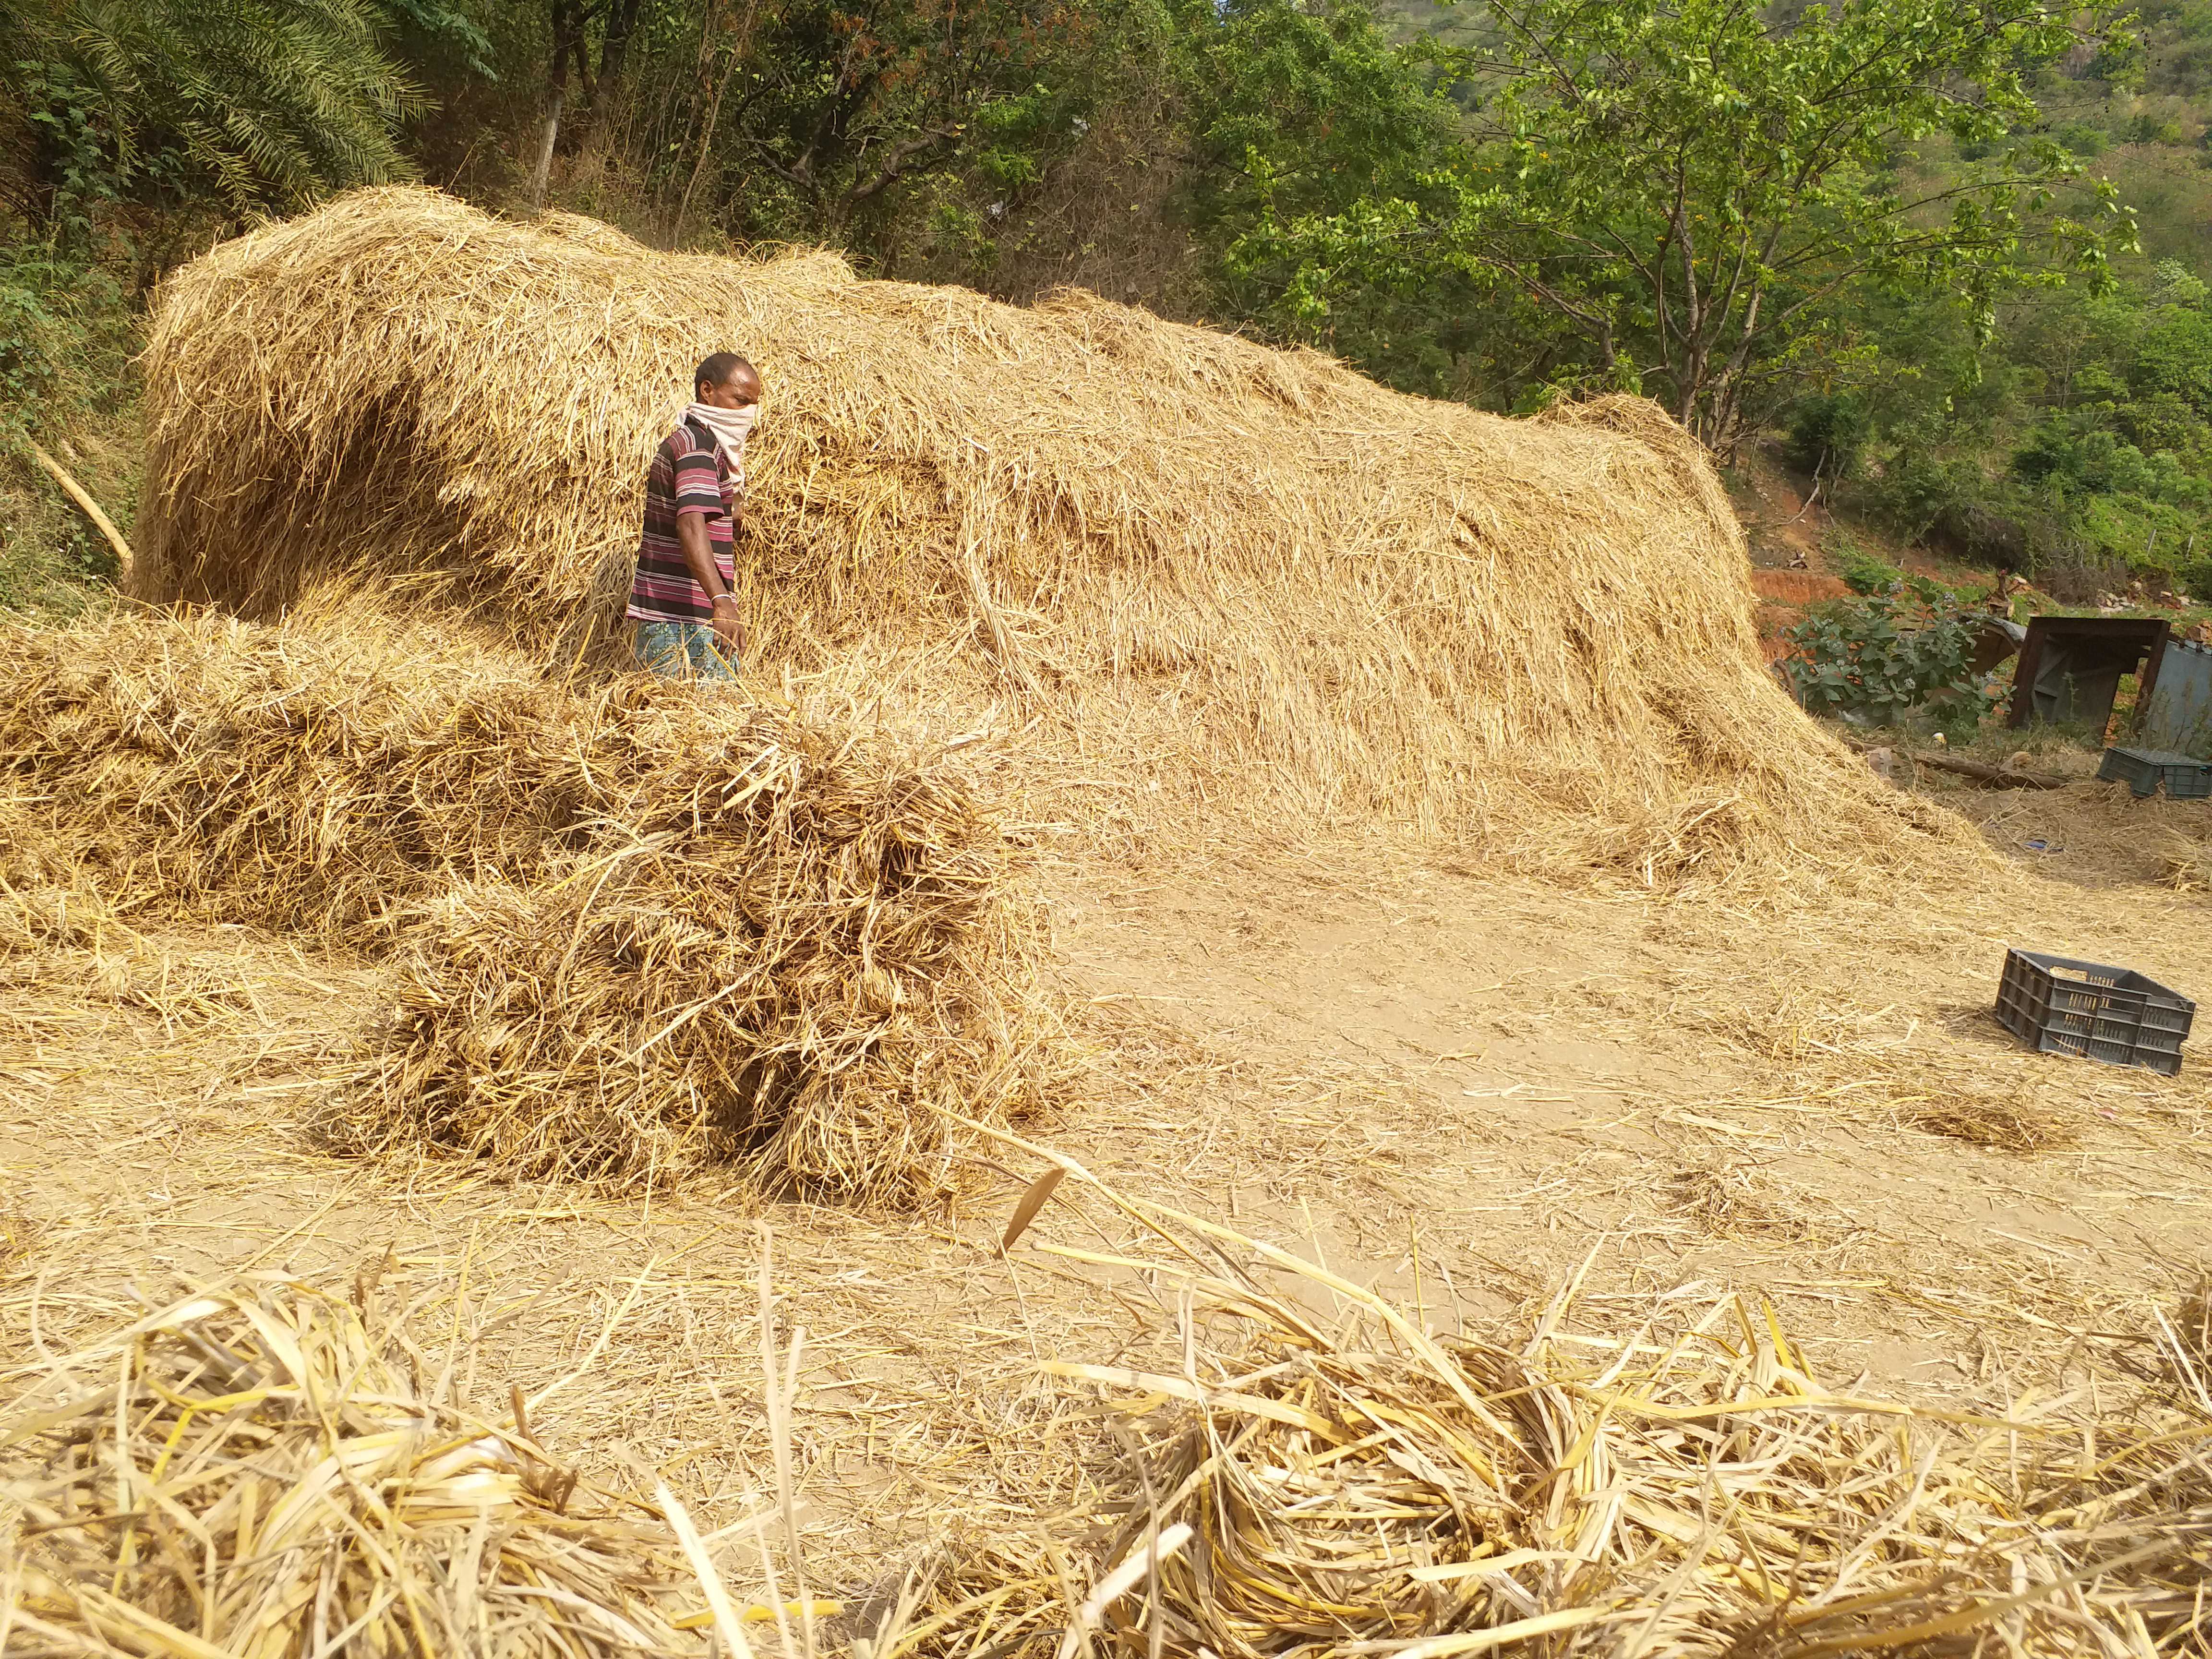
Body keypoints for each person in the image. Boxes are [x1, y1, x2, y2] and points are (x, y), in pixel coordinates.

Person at [628, 351, 762, 680]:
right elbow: (690, 524)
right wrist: (721, 601)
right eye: (740, 400)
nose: (748, 414)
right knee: (703, 720)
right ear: (707, 391)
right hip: (684, 623)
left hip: (680, 615)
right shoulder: (697, 446)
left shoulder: (699, 445)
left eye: (753, 405)